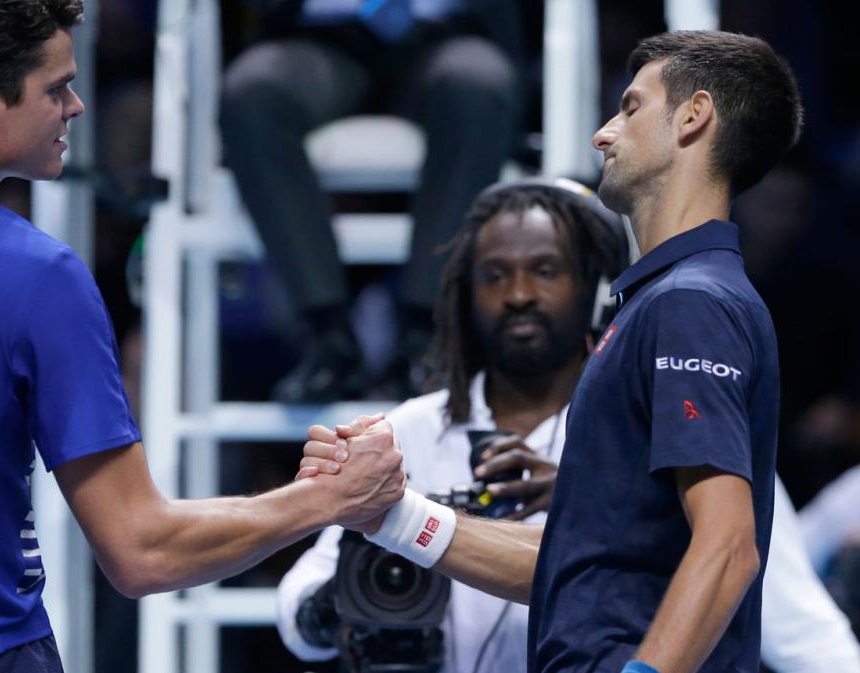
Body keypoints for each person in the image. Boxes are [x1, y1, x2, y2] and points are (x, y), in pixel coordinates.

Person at [0, 0, 404, 673]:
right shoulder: (40, 275)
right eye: (55, 87)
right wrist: (326, 500)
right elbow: (142, 549)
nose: (75, 107)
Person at [300, 30, 806, 673]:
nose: (603, 134)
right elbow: (574, 571)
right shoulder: (665, 303)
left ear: (693, 116)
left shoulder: (690, 303)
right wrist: (391, 514)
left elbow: (729, 547)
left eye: (629, 107)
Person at [285, 179, 859, 673]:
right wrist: (330, 608)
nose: (518, 295)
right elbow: (303, 607)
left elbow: (806, 637)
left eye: (544, 271)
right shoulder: (405, 431)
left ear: (592, 289)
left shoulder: (672, 424)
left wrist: (598, 505)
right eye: (494, 275)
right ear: (466, 296)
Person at [196, 0, 546, 401]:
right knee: (252, 94)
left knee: (479, 84)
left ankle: (427, 340)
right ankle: (327, 338)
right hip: (318, 36)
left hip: (444, 32)